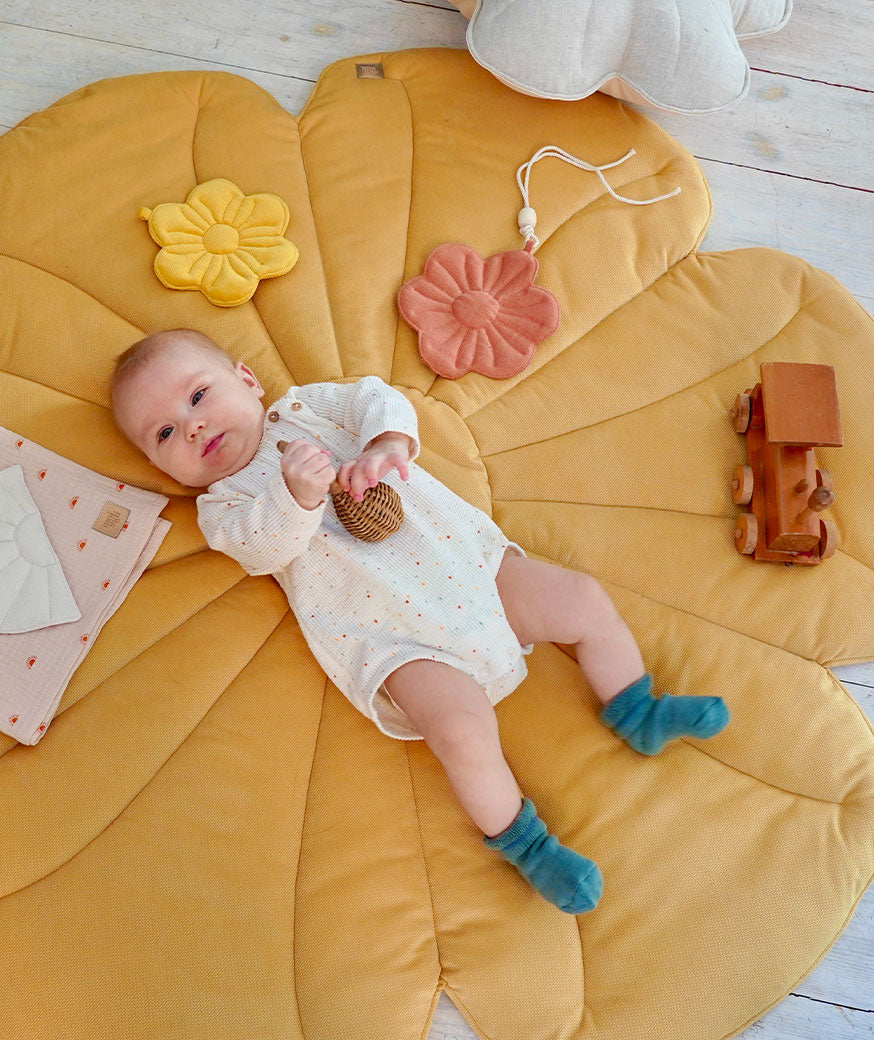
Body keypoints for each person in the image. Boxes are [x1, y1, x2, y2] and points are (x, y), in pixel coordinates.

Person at [110, 328, 730, 915]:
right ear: (163, 468)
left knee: (581, 599)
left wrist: (386, 445)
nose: (192, 425)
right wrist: (296, 496)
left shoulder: (309, 407)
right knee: (460, 731)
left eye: (198, 395)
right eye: (164, 433)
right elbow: (264, 548)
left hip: (471, 574)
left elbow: (377, 398)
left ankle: (636, 709)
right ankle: (528, 845)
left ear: (247, 380)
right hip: (395, 638)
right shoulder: (225, 506)